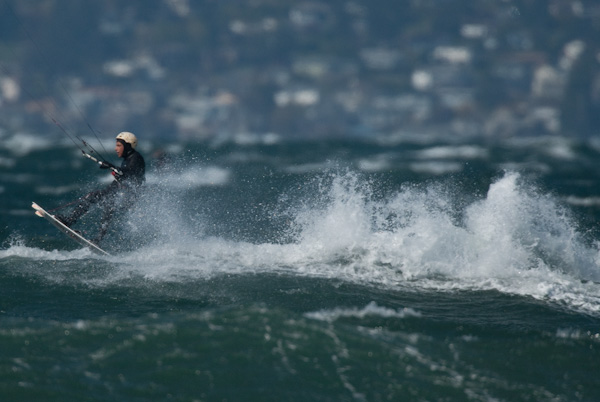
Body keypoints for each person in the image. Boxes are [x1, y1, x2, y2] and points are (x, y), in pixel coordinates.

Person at [57, 131, 145, 244]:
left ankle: (93, 235)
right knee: (99, 198)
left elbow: (130, 172)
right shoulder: (127, 160)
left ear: (128, 146)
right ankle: (75, 224)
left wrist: (113, 167)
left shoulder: (136, 158)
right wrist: (106, 189)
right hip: (124, 193)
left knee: (108, 202)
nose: (115, 149)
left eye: (119, 145)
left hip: (131, 197)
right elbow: (120, 180)